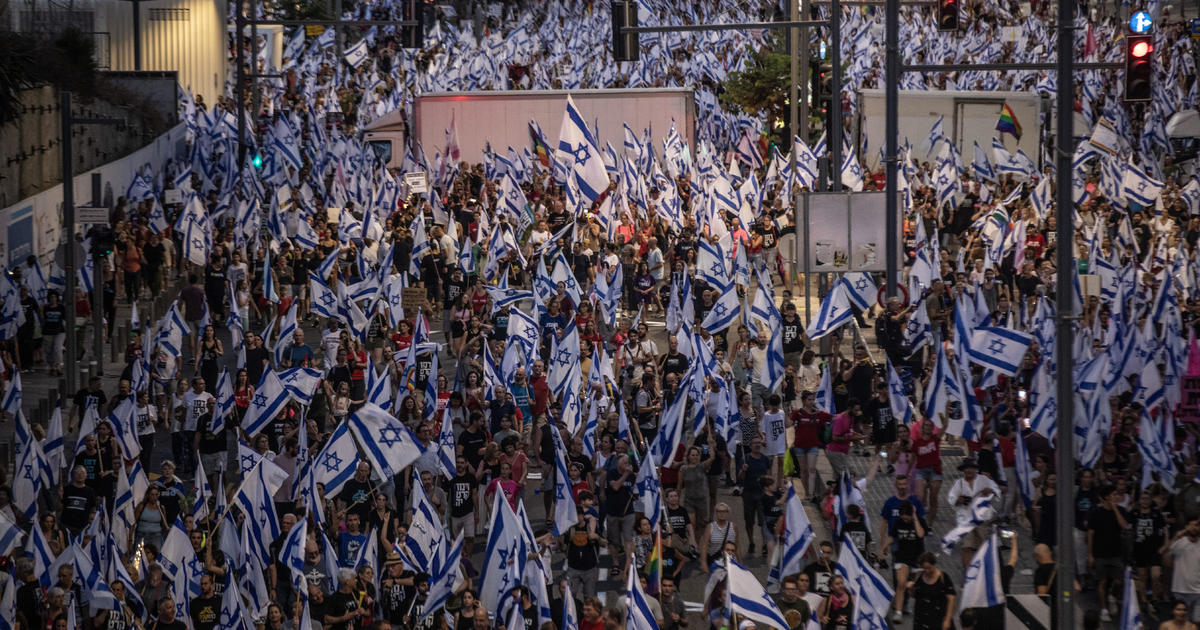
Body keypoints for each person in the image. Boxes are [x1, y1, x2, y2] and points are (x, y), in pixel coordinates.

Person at [908, 553, 956, 630]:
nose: (927, 571)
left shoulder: (943, 578)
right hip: (921, 620)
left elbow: (951, 600)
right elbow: (915, 596)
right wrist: (910, 588)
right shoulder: (919, 576)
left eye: (929, 568)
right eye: (924, 568)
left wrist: (947, 620)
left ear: (934, 564)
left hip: (939, 620)